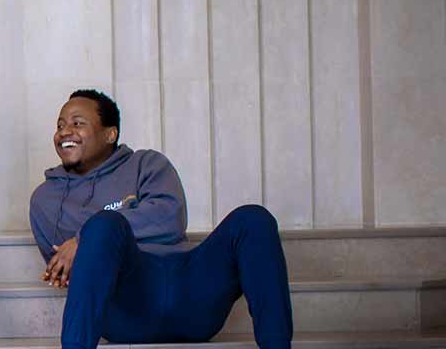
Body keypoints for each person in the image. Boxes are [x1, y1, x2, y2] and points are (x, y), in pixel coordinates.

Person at [30, 89, 293, 349]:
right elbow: (63, 270)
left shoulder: (147, 163)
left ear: (110, 134)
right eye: (60, 125)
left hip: (191, 294)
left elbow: (169, 218)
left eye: (77, 123)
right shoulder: (46, 200)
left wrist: (80, 240)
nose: (64, 132)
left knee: (254, 219)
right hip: (125, 306)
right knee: (103, 226)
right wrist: (95, 238)